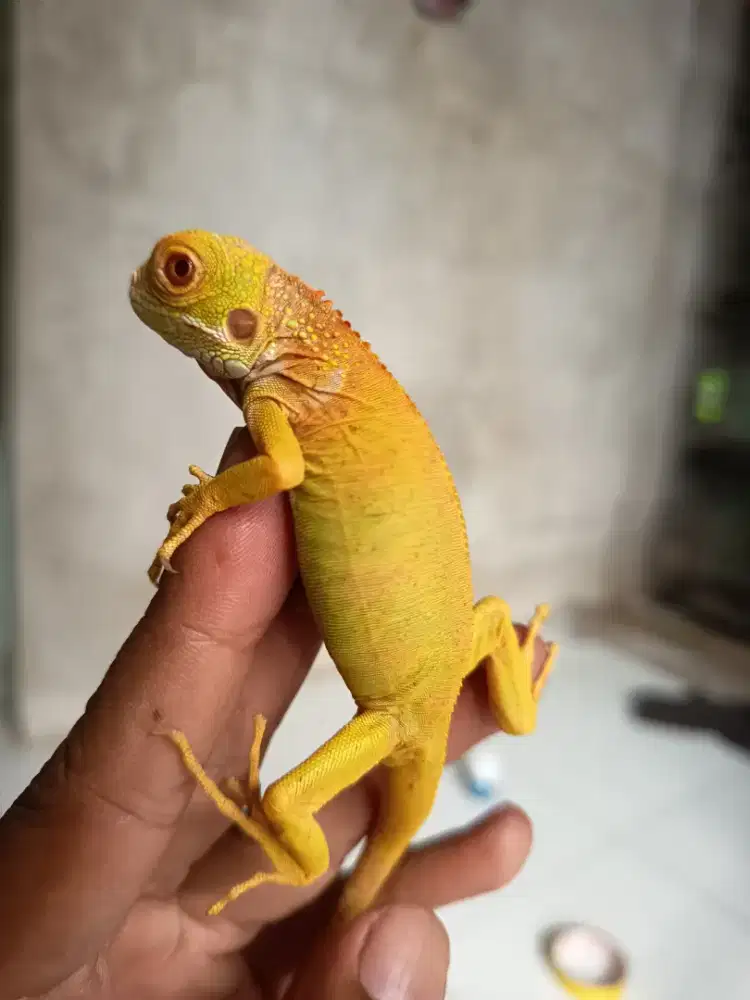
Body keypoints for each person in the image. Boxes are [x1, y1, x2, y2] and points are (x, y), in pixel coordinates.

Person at [0, 428, 550, 999]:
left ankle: (297, 866)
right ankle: (522, 712)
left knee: (286, 802)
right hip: (429, 682)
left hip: (398, 720)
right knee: (492, 616)